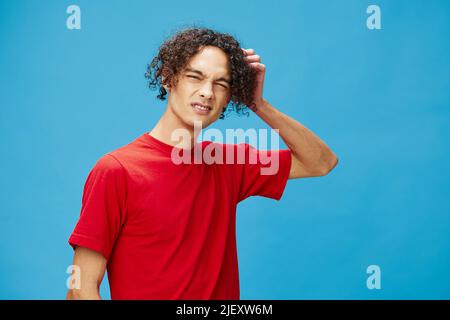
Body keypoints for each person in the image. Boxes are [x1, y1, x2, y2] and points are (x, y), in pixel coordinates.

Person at [66, 27, 338, 300]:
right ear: (167, 78)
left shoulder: (229, 163)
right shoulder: (117, 170)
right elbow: (80, 290)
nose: (207, 92)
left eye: (221, 84)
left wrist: (258, 105)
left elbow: (320, 162)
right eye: (195, 77)